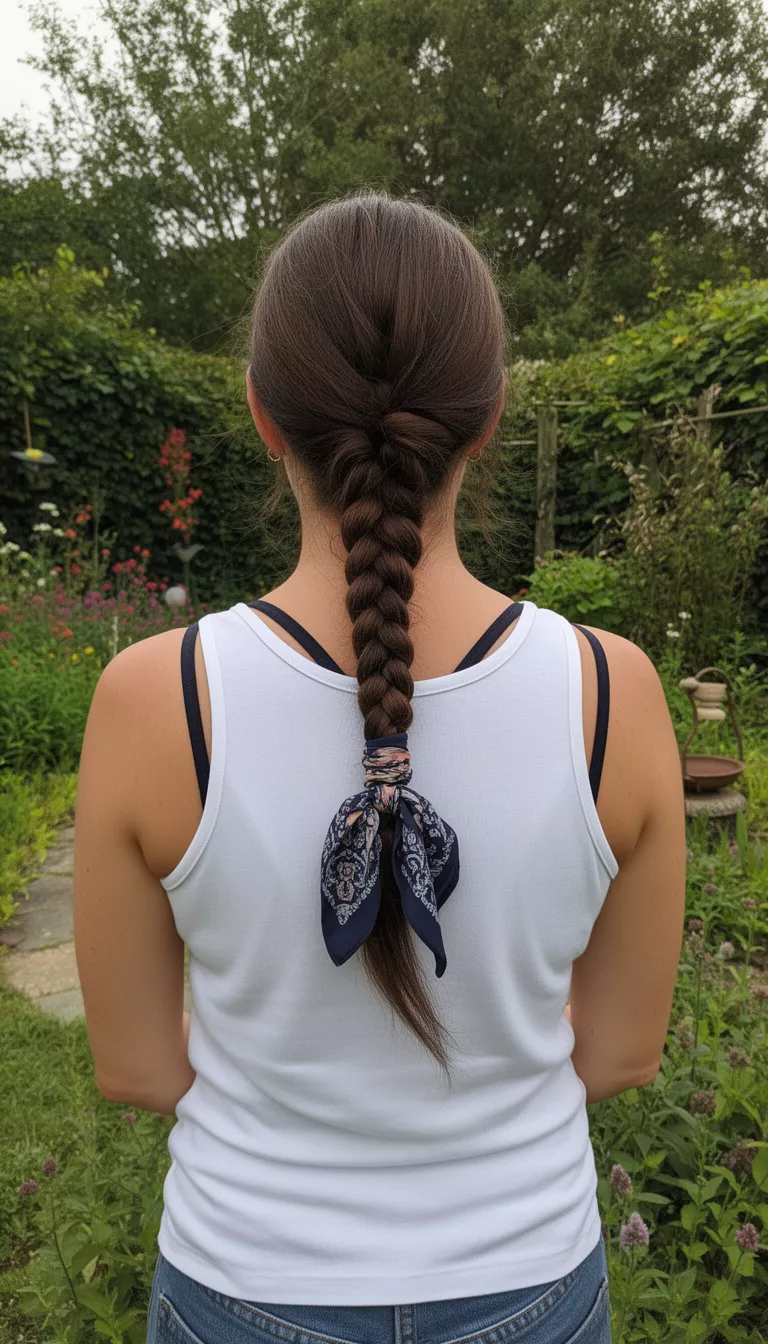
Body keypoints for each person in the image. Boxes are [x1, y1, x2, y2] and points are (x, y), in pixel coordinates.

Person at [73, 191, 687, 1344]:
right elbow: (620, 1051)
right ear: (490, 416)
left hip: (243, 1285)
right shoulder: (616, 693)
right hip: (532, 1287)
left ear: (262, 414)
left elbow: (137, 1070)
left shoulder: (155, 698)